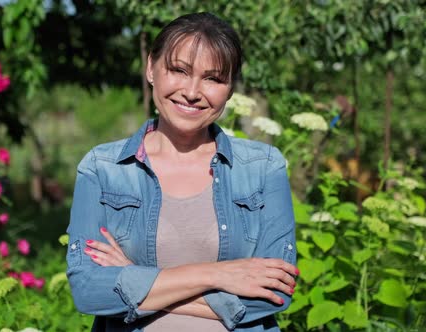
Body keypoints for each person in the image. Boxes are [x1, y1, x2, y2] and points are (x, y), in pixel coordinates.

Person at [66, 12, 298, 332]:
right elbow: (89, 291)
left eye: (213, 78)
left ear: (230, 89)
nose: (192, 91)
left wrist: (134, 277)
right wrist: (217, 274)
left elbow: (275, 293)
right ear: (151, 68)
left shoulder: (263, 168)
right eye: (178, 70)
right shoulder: (103, 168)